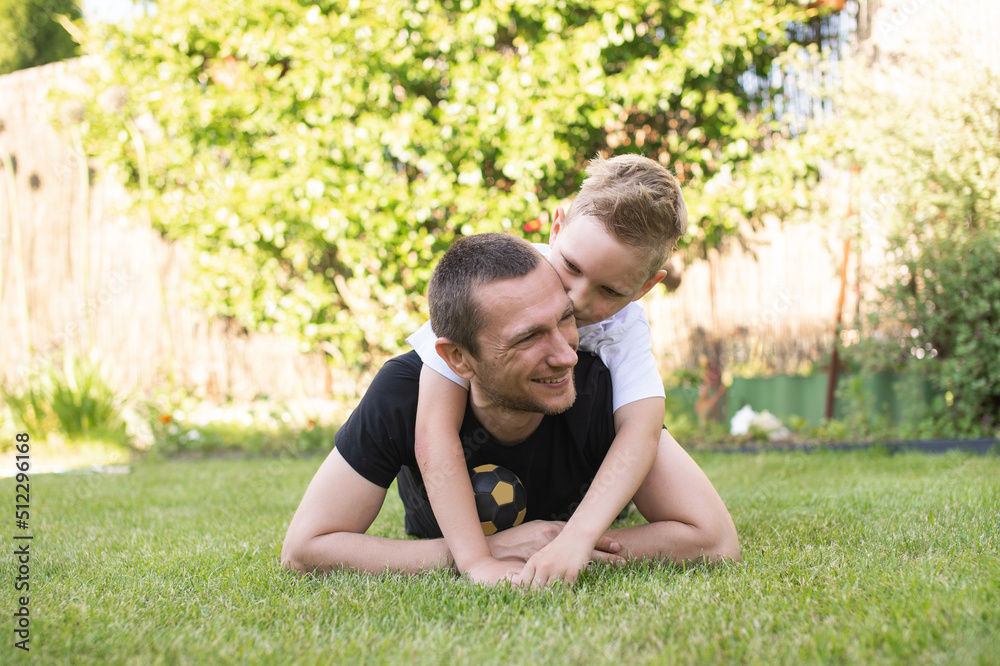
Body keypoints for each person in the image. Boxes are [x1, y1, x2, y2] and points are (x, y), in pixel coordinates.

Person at [281, 233, 739, 585]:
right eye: (528, 337)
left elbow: (713, 539)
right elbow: (306, 549)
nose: (565, 355)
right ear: (458, 358)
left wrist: (564, 545)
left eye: (565, 319)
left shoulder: (603, 386)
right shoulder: (404, 393)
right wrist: (487, 550)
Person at [407, 154, 690, 585]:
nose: (576, 298)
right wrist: (473, 561)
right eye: (572, 267)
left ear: (645, 288)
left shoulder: (627, 327)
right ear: (557, 228)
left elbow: (641, 431)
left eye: (610, 290)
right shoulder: (493, 288)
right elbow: (434, 428)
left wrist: (577, 539)